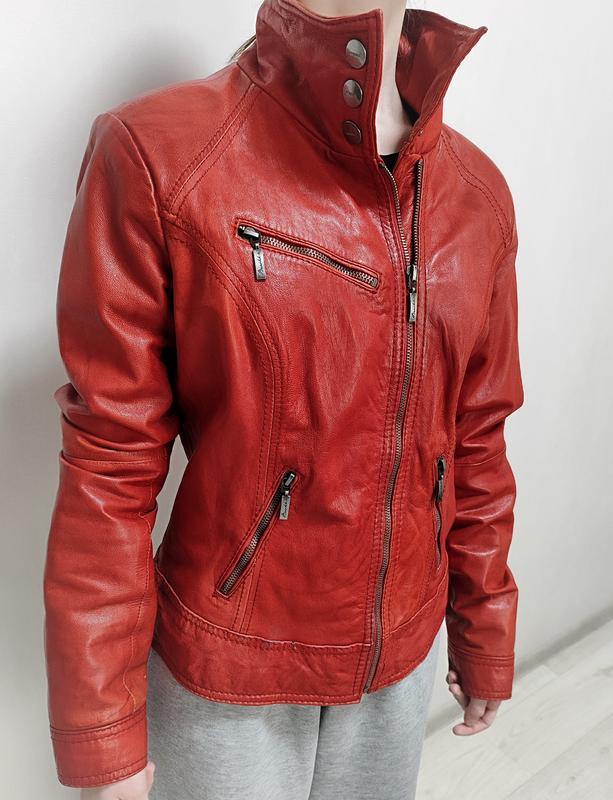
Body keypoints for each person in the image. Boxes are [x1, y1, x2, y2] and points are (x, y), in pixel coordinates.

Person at [43, 0, 524, 798]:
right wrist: (103, 728)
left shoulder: (475, 194)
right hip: (227, 667)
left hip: (399, 661)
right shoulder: (161, 151)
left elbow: (475, 437)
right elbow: (110, 463)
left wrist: (482, 628)